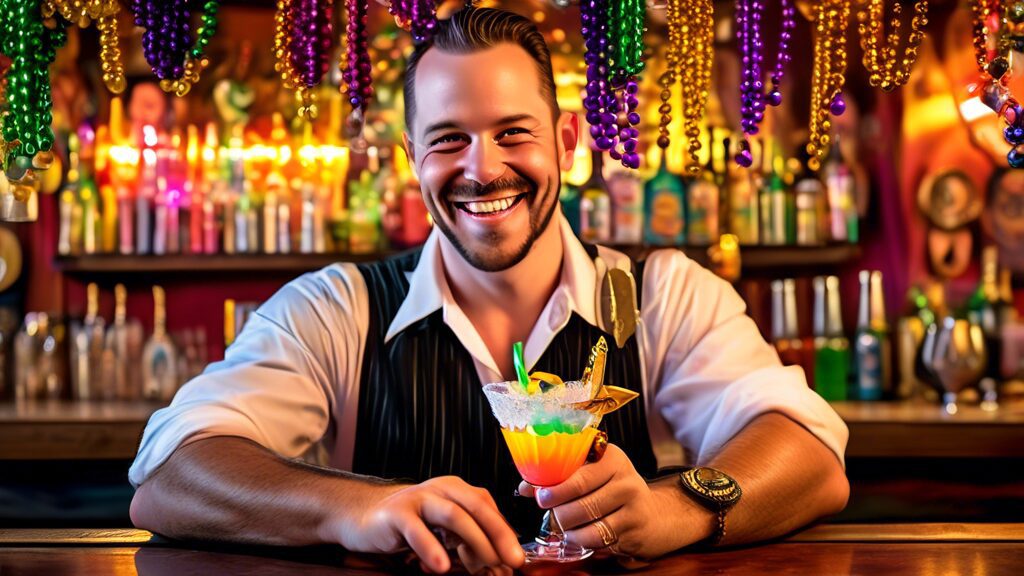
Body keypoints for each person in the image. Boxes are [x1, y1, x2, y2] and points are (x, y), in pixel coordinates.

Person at [129, 7, 849, 575]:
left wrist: (676, 510)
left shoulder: (662, 296)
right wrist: (356, 508)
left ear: (567, 141)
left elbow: (811, 455)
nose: (482, 169)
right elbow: (168, 474)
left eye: (513, 133)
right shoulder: (336, 310)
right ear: (412, 159)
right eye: (448, 140)